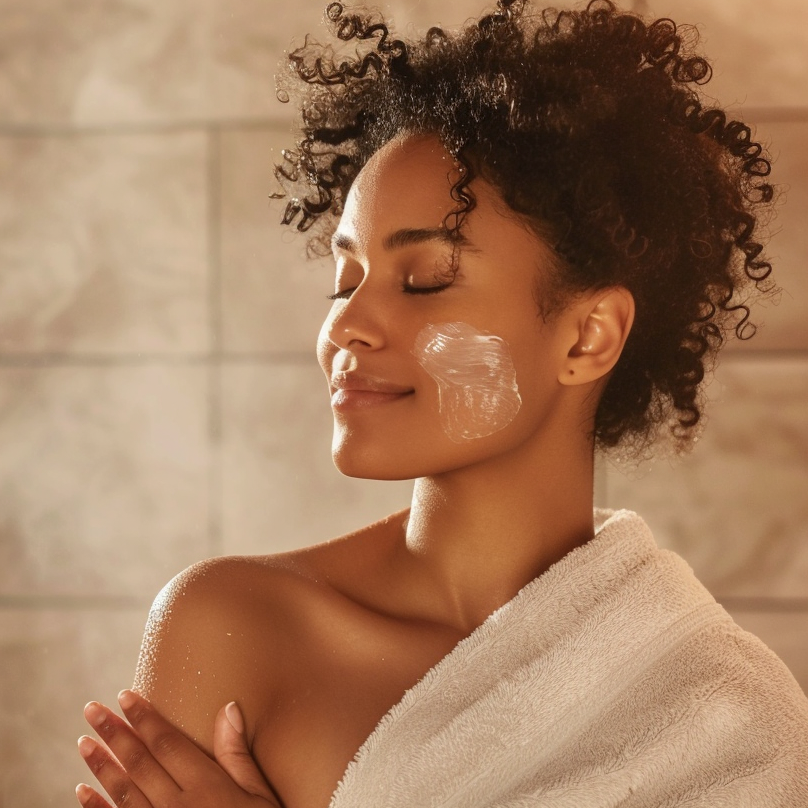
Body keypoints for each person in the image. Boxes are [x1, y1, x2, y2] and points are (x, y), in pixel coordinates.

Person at [76, 1, 808, 806]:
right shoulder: (234, 628)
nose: (346, 324)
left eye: (423, 279)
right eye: (344, 278)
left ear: (587, 337)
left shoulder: (725, 717)